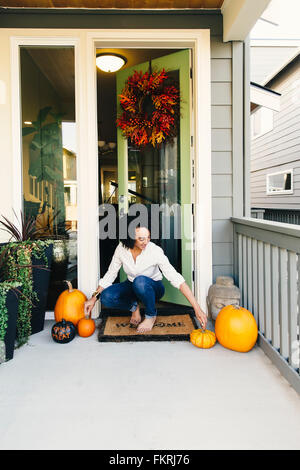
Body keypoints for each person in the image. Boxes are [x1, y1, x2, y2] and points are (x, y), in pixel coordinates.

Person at [84, 225, 207, 333]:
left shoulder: (155, 251)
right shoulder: (121, 249)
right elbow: (110, 275)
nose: (146, 242)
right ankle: (134, 307)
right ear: (130, 237)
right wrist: (94, 298)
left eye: (148, 237)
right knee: (106, 296)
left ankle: (150, 316)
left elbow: (177, 279)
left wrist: (197, 308)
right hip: (132, 284)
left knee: (140, 281)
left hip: (154, 287)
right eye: (141, 239)